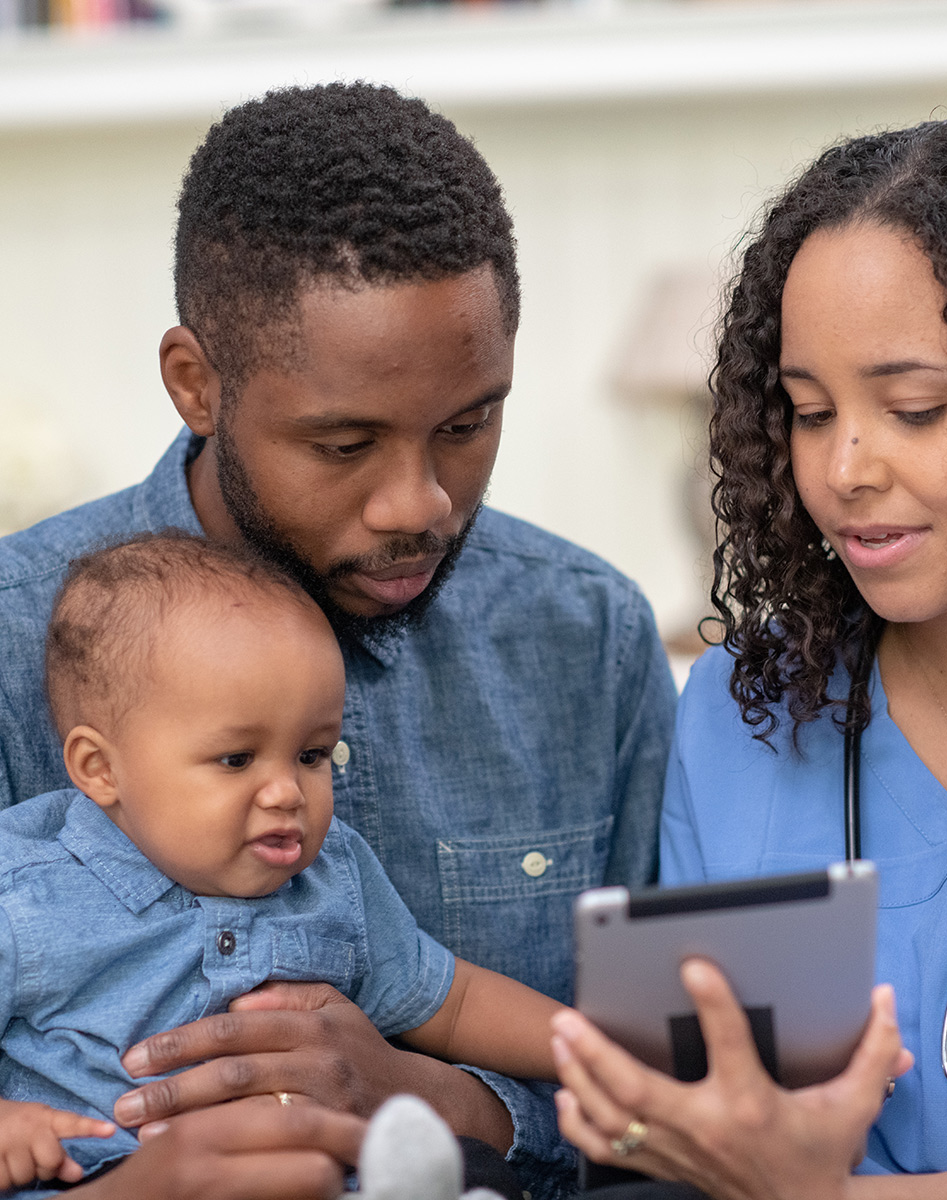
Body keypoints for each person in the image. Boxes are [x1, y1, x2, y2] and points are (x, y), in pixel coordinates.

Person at [0, 82, 676, 1198]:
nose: (418, 504)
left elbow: (662, 1102)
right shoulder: (18, 635)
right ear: (196, 384)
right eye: (345, 442)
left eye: (467, 425)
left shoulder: (586, 635)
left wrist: (446, 1107)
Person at [551, 114, 947, 1199]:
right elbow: (678, 1123)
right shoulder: (740, 711)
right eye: (808, 413)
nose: (845, 467)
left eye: (914, 408)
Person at [0, 532, 567, 1199]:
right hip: (114, 1172)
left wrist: (590, 1046)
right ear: (101, 769)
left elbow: (456, 1000)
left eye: (312, 755)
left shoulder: (334, 873)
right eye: (237, 760)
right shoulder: (26, 893)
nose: (287, 793)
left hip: (320, 1171)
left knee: (472, 1166)